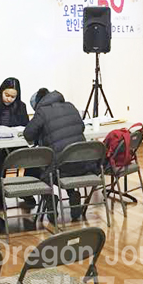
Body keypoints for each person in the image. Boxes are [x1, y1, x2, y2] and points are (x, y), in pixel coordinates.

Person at [23, 88, 93, 221]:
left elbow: (28, 134)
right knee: (66, 160)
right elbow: (81, 127)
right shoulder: (70, 106)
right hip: (83, 163)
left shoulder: (42, 111)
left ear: (37, 104)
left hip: (59, 167)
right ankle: (72, 194)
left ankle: (50, 198)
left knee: (40, 169)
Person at [0, 78, 35, 208]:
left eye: (13, 97)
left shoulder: (21, 106)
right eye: (7, 95)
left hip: (15, 143)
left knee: (32, 157)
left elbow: (25, 126)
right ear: (1, 92)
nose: (9, 99)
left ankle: (28, 189)